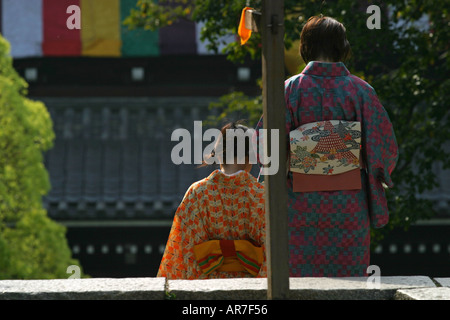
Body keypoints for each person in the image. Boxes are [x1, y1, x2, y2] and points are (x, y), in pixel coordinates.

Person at [256, 16, 398, 277]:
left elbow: (267, 147)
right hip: (348, 205)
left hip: (298, 204)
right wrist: (378, 172)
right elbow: (383, 145)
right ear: (342, 46)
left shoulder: (288, 90)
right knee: (349, 283)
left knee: (298, 281)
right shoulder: (361, 91)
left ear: (305, 46)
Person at [157, 122, 267, 279]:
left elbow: (186, 249)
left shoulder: (197, 193)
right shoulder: (261, 195)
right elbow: (272, 252)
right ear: (250, 156)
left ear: (219, 154)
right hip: (251, 286)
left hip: (208, 285)